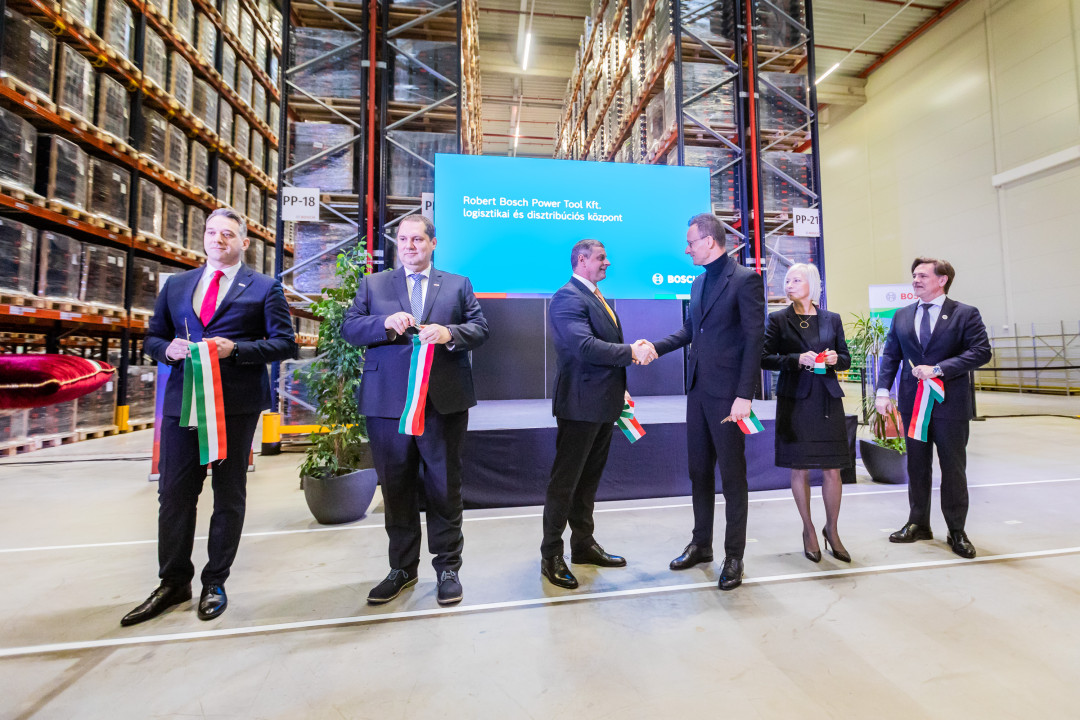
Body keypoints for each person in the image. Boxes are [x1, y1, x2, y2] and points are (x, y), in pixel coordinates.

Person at [123, 208, 298, 626]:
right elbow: (152, 337)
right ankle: (172, 582)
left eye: (228, 234)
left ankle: (215, 581)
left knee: (228, 493)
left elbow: (284, 343)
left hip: (234, 406)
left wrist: (236, 350)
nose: (218, 240)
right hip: (183, 404)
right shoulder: (177, 285)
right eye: (212, 232)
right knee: (174, 494)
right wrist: (167, 350)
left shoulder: (265, 288)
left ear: (244, 242)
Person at [341, 214, 489, 606]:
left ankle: (448, 568)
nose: (409, 246)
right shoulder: (373, 285)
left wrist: (449, 332)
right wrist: (384, 323)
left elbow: (481, 329)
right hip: (387, 404)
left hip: (443, 403)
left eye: (418, 239)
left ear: (433, 243)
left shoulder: (457, 284)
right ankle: (402, 569)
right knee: (396, 487)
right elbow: (350, 329)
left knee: (444, 486)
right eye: (403, 239)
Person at [646, 213, 765, 591]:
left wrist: (745, 395)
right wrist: (655, 347)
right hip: (698, 392)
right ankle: (701, 545)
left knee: (732, 476)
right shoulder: (698, 283)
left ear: (710, 242)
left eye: (691, 242)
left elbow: (754, 340)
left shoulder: (745, 280)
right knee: (698, 471)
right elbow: (689, 330)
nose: (687, 249)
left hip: (729, 396)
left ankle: (734, 555)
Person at [542, 240, 657, 589]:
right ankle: (551, 555)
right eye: (601, 258)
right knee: (566, 482)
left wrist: (619, 388)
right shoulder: (568, 297)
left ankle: (583, 545)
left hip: (603, 403)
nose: (607, 262)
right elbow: (584, 347)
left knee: (588, 480)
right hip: (579, 406)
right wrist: (632, 351)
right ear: (582, 260)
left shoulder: (593, 296)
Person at [876, 257, 991, 558]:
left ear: (942, 280)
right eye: (914, 275)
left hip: (950, 403)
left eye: (923, 276)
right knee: (916, 465)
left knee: (953, 468)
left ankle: (956, 530)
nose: (915, 280)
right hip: (913, 403)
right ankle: (918, 523)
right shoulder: (902, 315)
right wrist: (882, 391)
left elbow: (981, 352)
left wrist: (939, 369)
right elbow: (891, 356)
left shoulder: (964, 313)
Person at [761, 263, 852, 564]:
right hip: (796, 401)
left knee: (832, 469)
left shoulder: (832, 319)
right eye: (787, 281)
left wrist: (837, 358)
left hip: (827, 400)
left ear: (811, 284)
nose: (788, 285)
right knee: (799, 467)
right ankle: (809, 529)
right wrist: (796, 359)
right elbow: (764, 358)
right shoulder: (778, 319)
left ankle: (832, 530)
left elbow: (846, 359)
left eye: (795, 280)